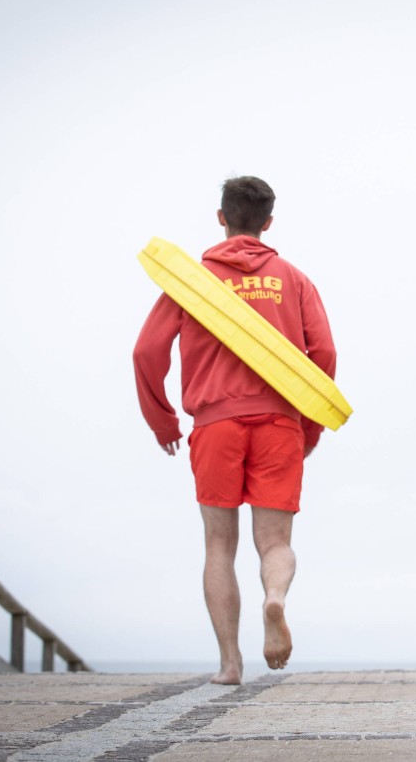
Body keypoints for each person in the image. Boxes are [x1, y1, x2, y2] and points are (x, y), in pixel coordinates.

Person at [133, 176, 336, 683]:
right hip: (278, 423)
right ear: (268, 223)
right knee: (274, 542)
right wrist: (308, 426)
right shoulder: (293, 279)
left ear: (221, 217)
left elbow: (146, 353)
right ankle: (275, 597)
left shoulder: (191, 282)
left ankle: (229, 663)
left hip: (215, 423)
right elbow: (324, 354)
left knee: (219, 546)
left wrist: (163, 421)